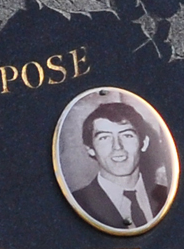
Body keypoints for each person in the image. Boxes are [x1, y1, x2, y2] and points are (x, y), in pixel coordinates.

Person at [67, 98, 171, 231]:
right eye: (104, 138)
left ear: (144, 143)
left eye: (127, 135)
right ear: (90, 148)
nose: (117, 146)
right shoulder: (75, 204)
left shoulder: (166, 196)